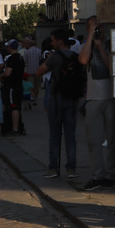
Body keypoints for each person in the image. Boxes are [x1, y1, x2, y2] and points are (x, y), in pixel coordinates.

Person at [36, 29, 79, 179]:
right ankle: (71, 168)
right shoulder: (75, 56)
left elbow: (40, 72)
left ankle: (53, 168)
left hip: (57, 99)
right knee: (70, 136)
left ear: (60, 41)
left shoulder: (54, 57)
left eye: (53, 40)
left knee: (55, 135)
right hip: (72, 99)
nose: (52, 43)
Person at [79, 17, 115, 191]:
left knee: (112, 139)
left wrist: (101, 47)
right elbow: (83, 60)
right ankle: (97, 175)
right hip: (93, 98)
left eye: (97, 27)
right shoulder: (88, 44)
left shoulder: (110, 43)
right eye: (91, 27)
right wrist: (90, 38)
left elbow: (112, 67)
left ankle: (111, 175)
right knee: (94, 140)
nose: (95, 30)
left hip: (111, 97)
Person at [0, 40, 26, 136]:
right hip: (19, 85)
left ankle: (15, 129)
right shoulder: (20, 57)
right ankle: (18, 127)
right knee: (17, 106)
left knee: (13, 107)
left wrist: (2, 76)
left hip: (12, 86)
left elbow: (7, 73)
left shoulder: (12, 59)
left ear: (10, 47)